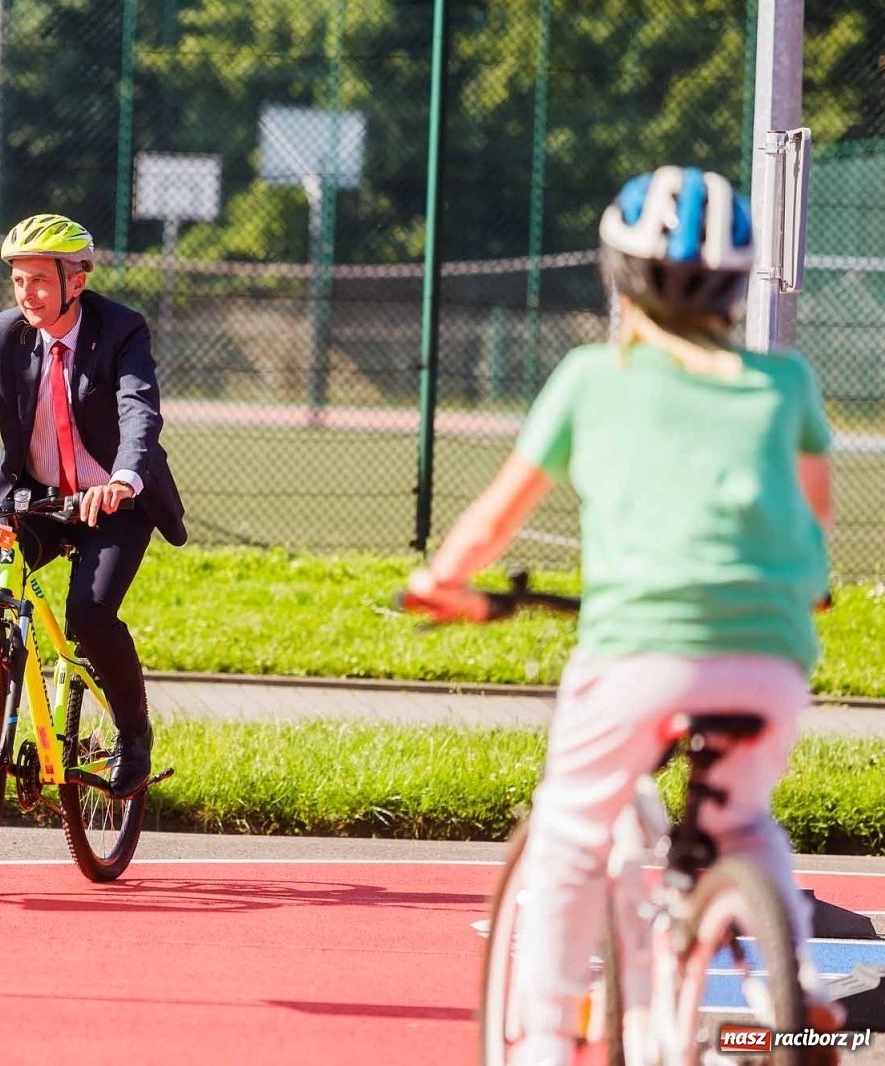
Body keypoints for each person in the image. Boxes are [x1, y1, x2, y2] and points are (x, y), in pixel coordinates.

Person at [402, 166, 838, 1065]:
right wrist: (810, 585)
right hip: (773, 656)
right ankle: (793, 996)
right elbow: (815, 525)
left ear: (616, 273)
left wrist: (442, 580)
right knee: (747, 825)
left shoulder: (592, 377)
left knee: (570, 824)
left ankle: (547, 1035)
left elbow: (496, 514)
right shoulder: (785, 384)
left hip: (641, 651)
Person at [0, 212, 186, 798]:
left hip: (113, 505)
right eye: (20, 281)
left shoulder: (122, 330)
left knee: (89, 616)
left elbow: (139, 410)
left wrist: (126, 478)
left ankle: (134, 735)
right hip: (33, 498)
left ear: (77, 280)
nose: (28, 294)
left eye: (41, 281)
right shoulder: (5, 333)